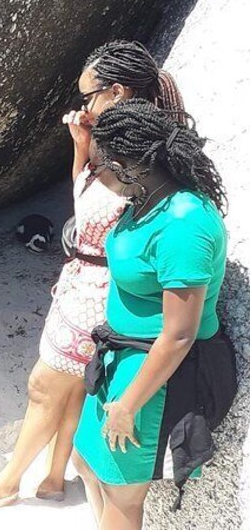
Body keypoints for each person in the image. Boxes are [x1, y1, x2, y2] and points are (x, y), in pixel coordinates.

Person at [0, 41, 186, 507]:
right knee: (74, 385)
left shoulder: (146, 159)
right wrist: (82, 148)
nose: (85, 107)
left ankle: (9, 482)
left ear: (116, 91)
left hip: (96, 293)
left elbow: (104, 218)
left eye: (89, 96)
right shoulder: (122, 149)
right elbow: (88, 200)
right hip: (82, 284)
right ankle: (53, 477)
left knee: (43, 385)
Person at [72, 99, 228, 530]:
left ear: (128, 164)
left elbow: (179, 334)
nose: (93, 173)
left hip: (152, 376)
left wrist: (128, 405)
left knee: (122, 494)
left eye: (97, 165)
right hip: (119, 360)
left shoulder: (184, 223)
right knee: (86, 463)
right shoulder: (145, 199)